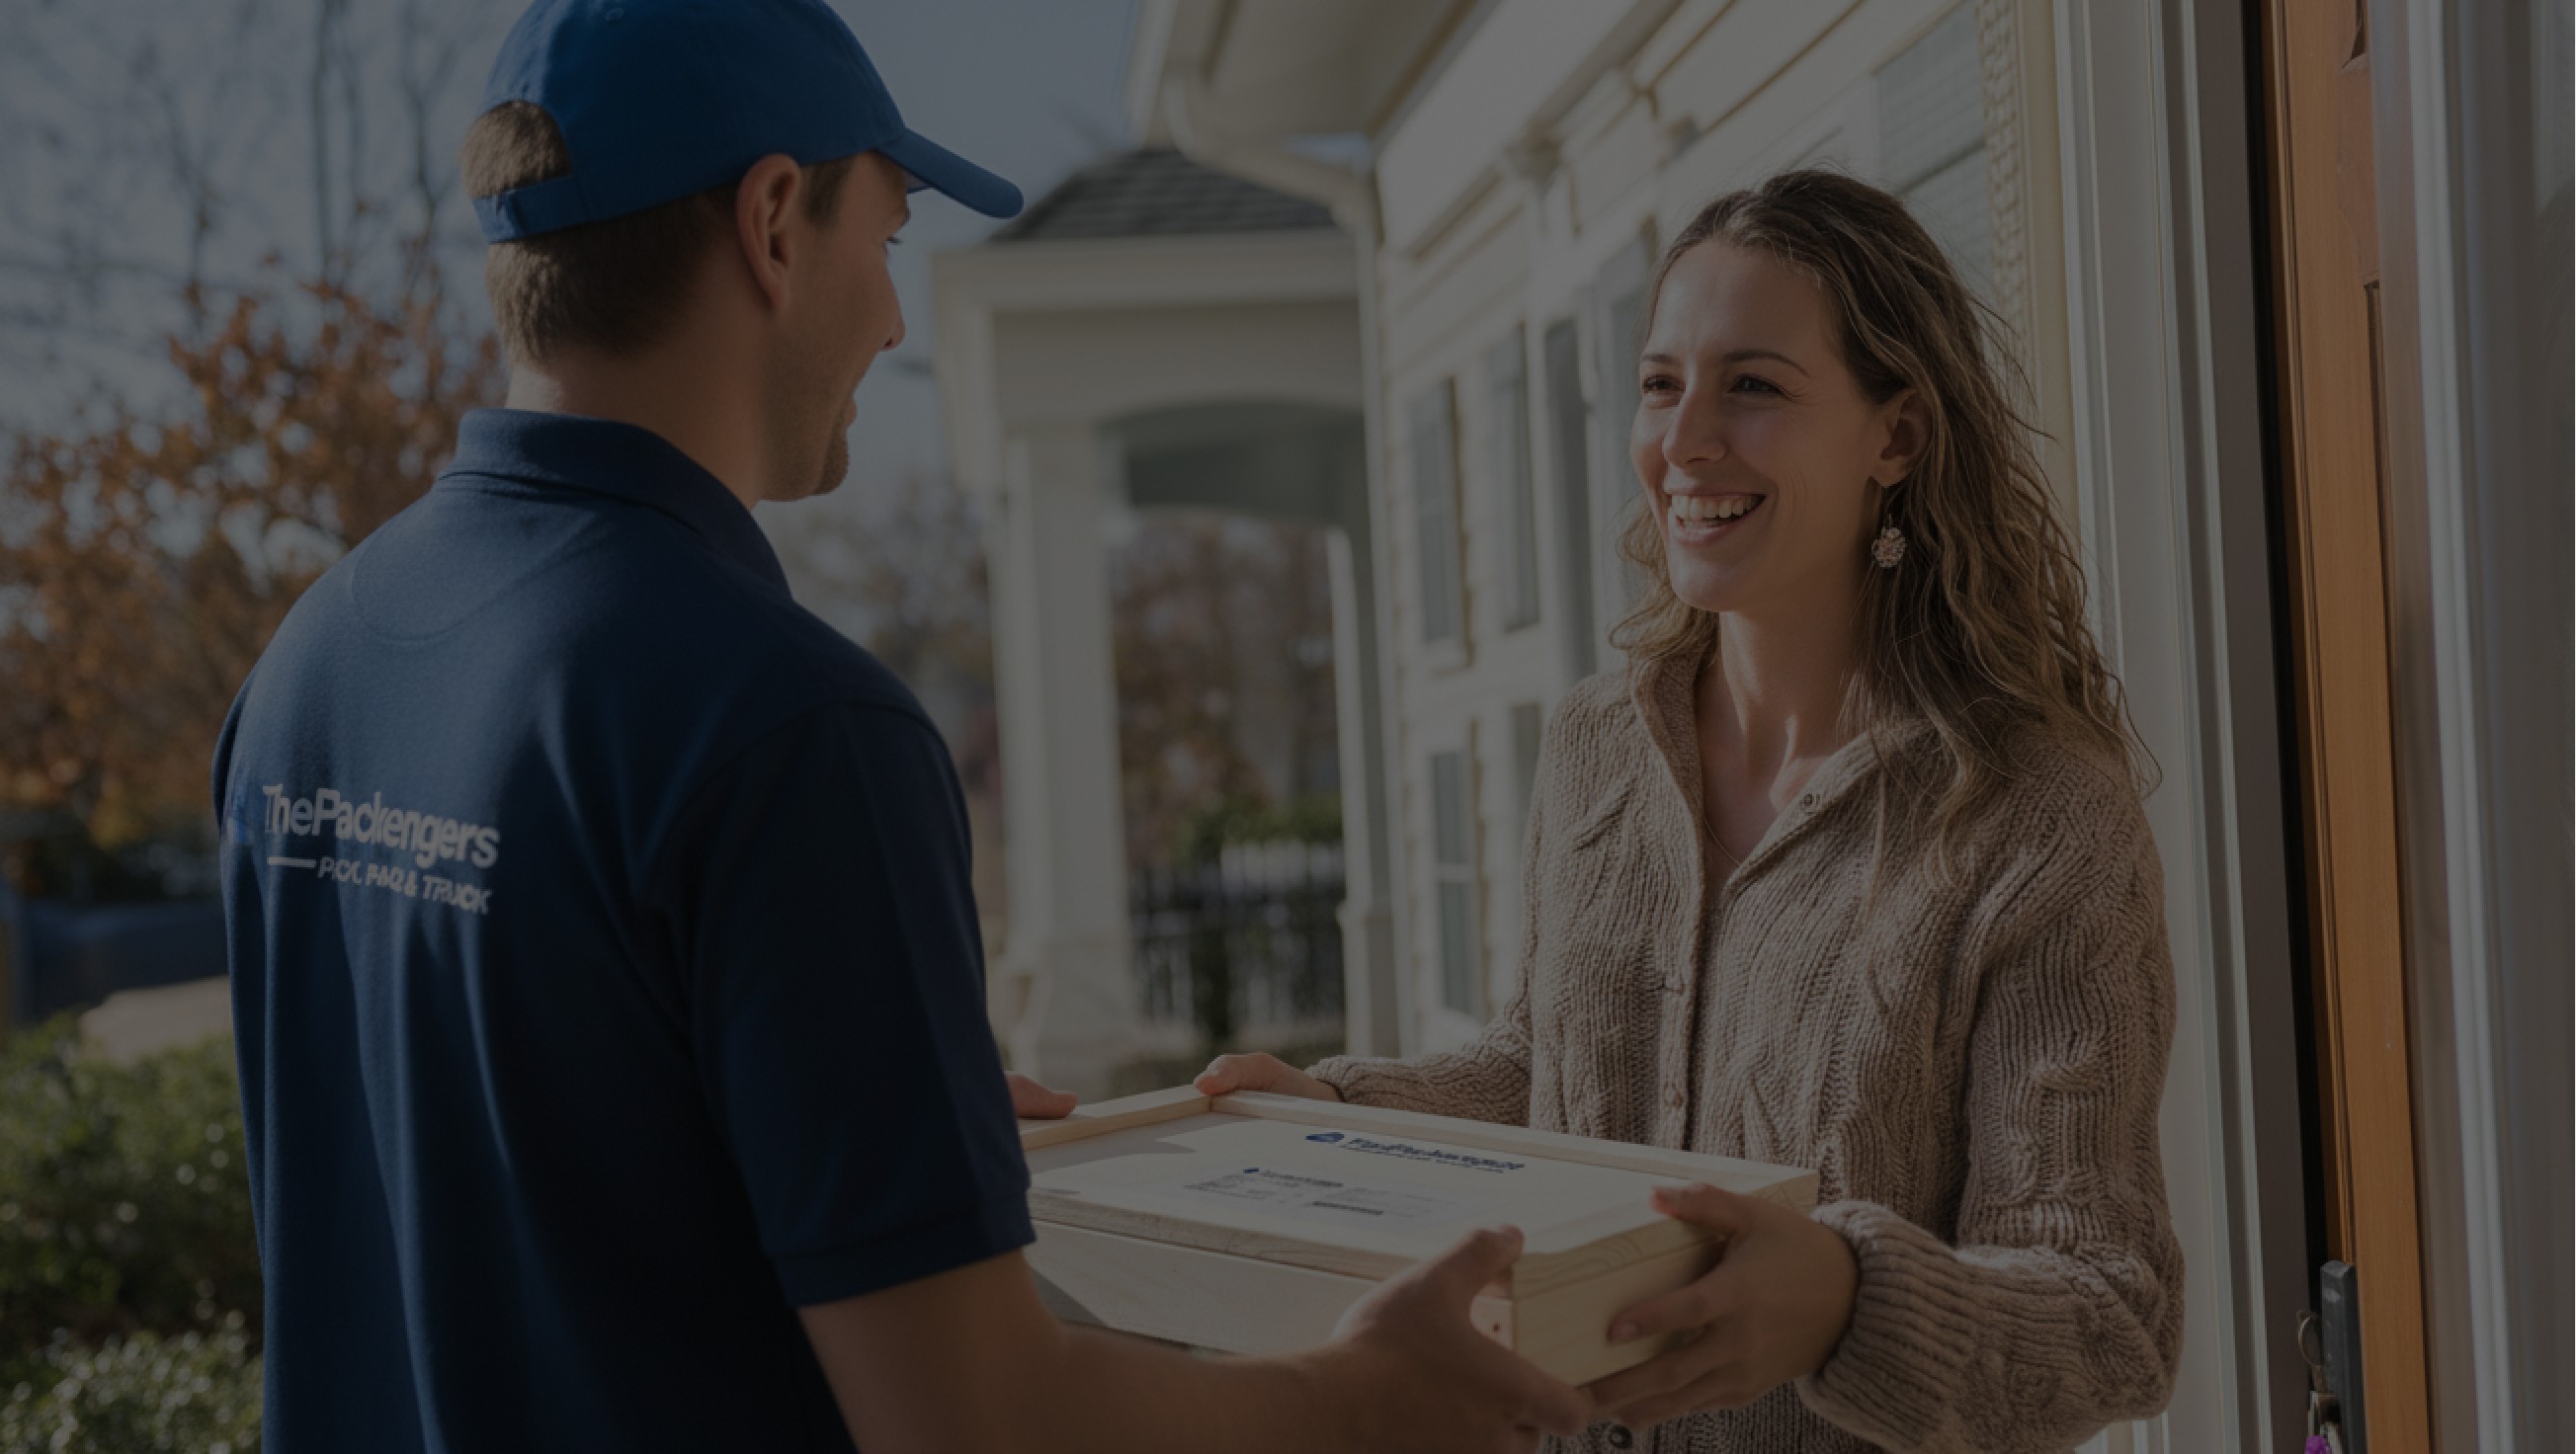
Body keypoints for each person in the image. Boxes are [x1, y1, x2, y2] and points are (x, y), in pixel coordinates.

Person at [210, 2, 1587, 1451]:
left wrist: (806, 1090)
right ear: (774, 223)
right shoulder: (789, 727)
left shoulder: (309, 666)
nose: (892, 314)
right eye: (891, 233)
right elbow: (981, 1426)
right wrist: (1366, 1398)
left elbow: (492, 1164)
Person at [1200, 169, 2185, 1454]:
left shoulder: (2039, 816)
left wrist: (1844, 1303)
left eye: (1755, 386)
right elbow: (1552, 1072)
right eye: (1663, 384)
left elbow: (2109, 1318)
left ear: (1898, 437)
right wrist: (1342, 1113)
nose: (1686, 441)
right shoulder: (1598, 748)